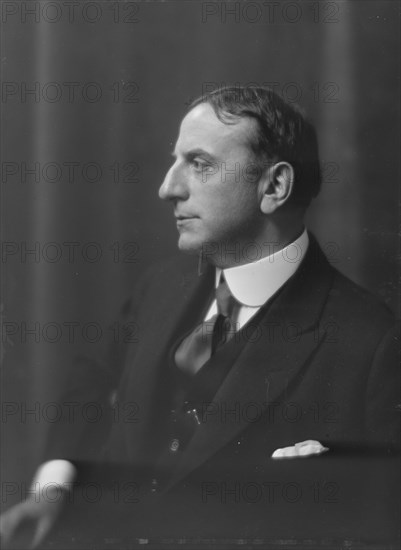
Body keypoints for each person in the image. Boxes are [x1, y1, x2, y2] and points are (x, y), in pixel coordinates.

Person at [1, 86, 399, 547]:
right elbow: (91, 380)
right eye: (176, 162)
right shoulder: (160, 287)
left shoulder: (372, 342)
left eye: (200, 164)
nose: (167, 187)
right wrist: (53, 490)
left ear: (274, 186)